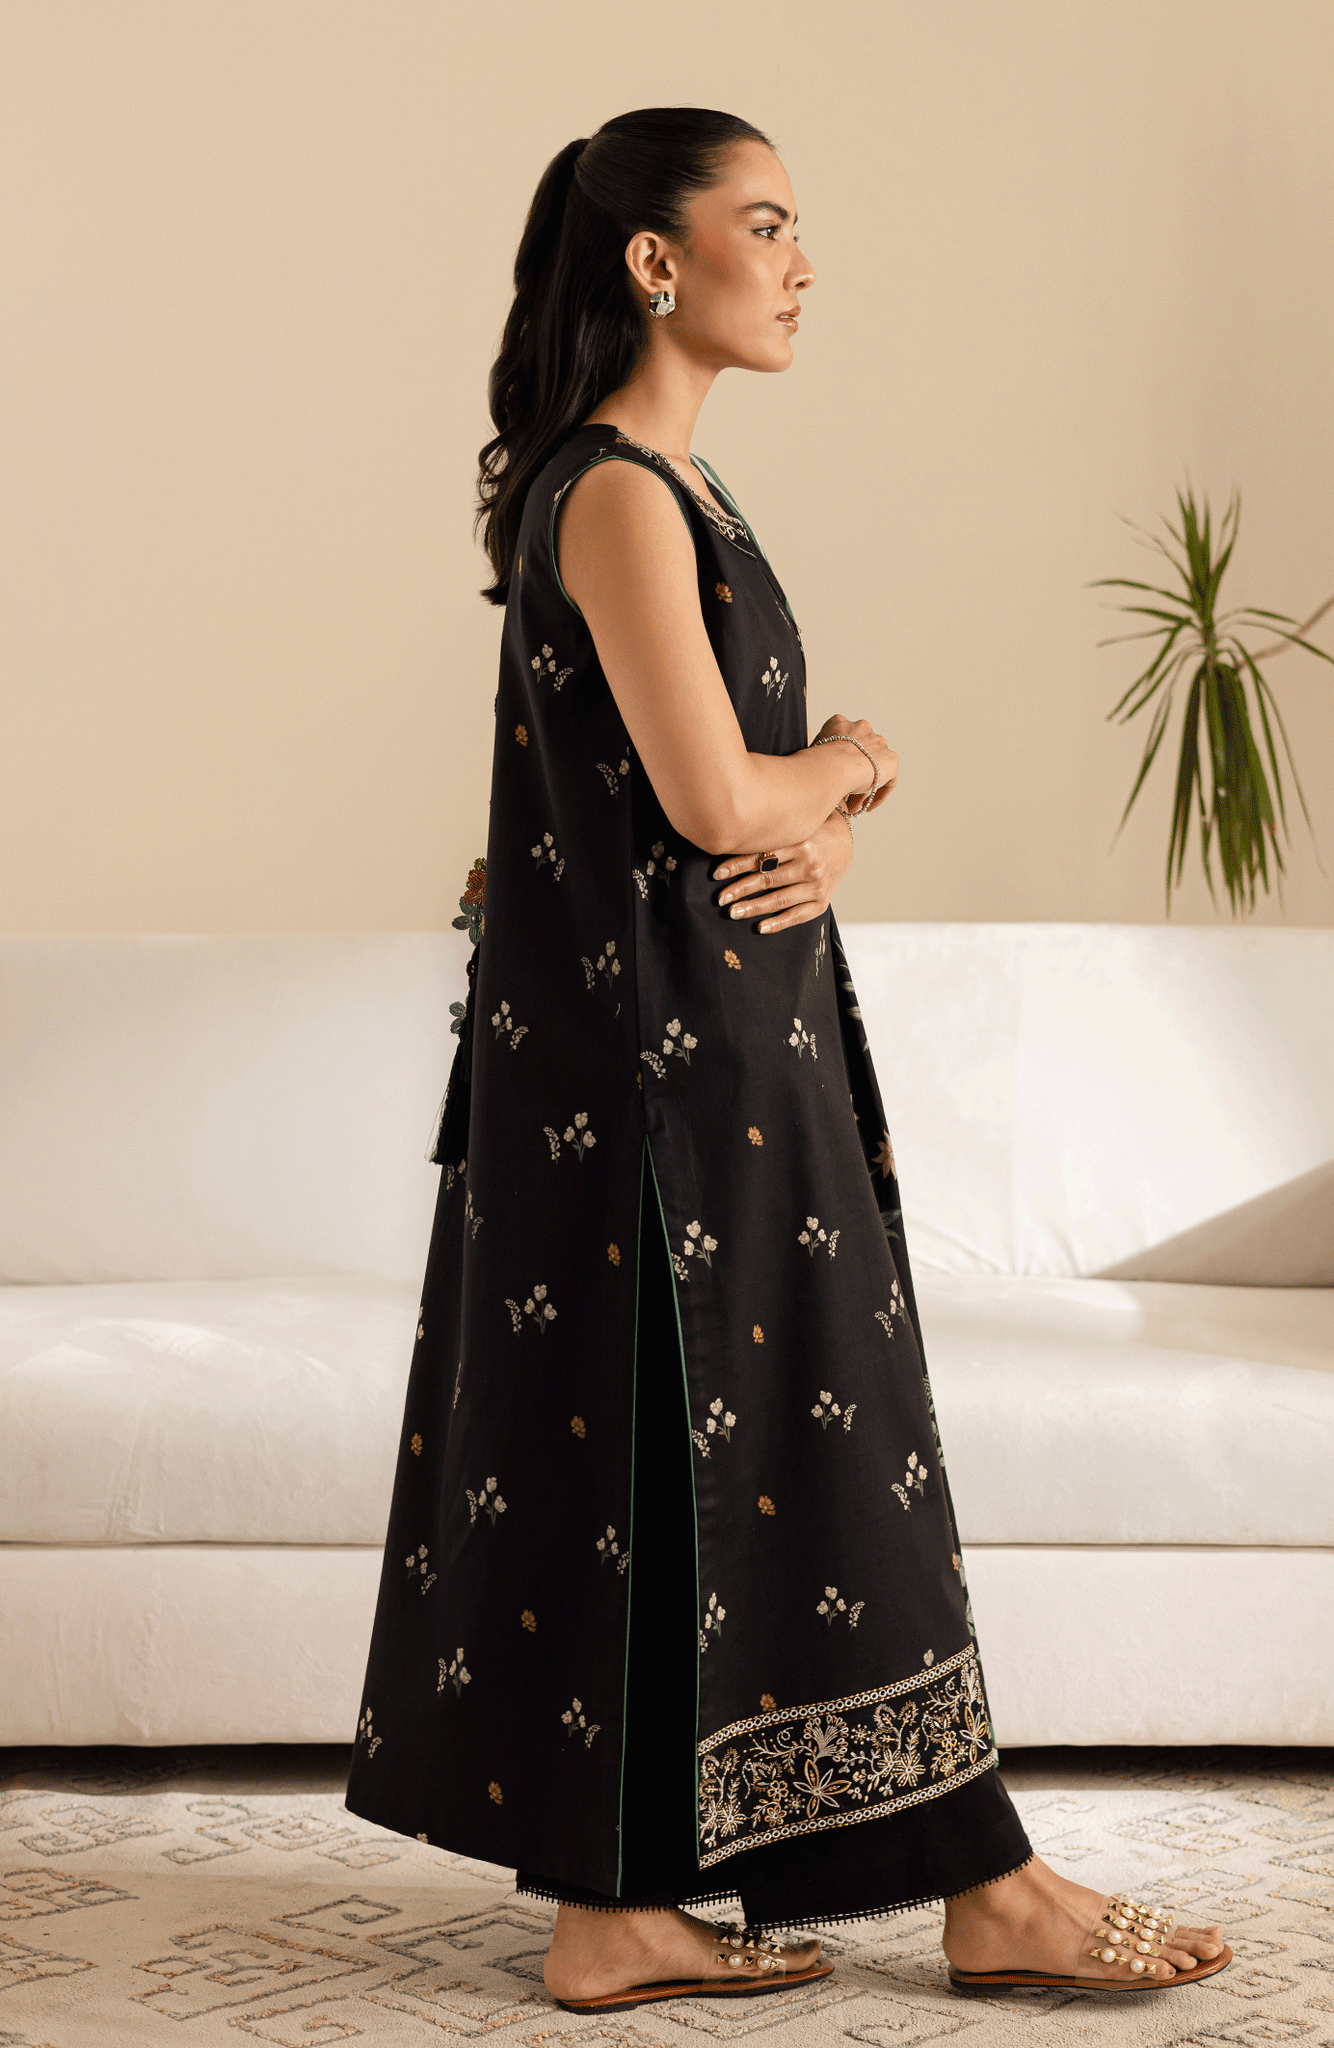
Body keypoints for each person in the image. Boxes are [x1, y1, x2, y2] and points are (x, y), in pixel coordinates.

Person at [345, 106, 1231, 2012]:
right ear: (654, 260)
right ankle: (985, 1888)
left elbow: (704, 820)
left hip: (712, 1055)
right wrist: (855, 760)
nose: (804, 262)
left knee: (686, 1481)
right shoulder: (614, 495)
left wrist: (817, 826)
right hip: (664, 1095)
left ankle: (618, 1913)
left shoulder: (681, 490)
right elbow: (707, 797)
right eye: (765, 224)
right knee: (812, 1461)